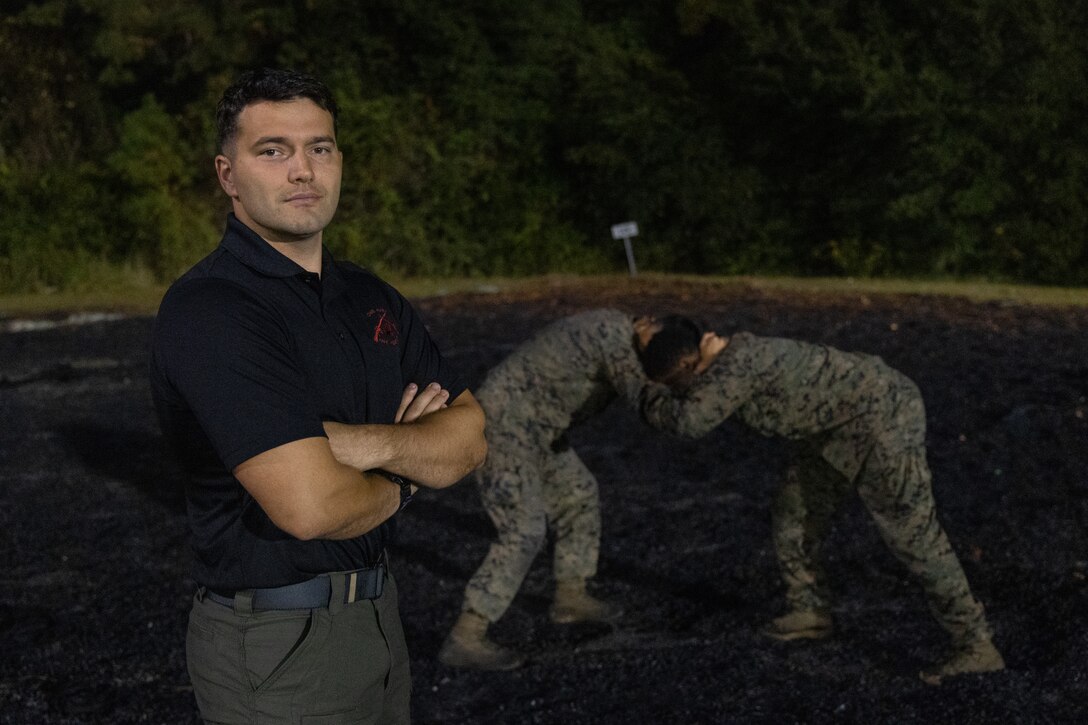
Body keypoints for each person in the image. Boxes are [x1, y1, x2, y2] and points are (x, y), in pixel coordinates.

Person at [150, 68, 486, 724]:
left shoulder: (369, 296)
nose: (302, 169)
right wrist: (409, 473)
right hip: (278, 641)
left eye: (320, 148)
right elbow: (311, 504)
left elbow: (470, 433)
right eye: (272, 150)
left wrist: (359, 442)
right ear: (228, 175)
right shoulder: (212, 309)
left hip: (379, 616)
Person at [636, 316, 1005, 685]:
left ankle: (976, 645)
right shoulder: (726, 361)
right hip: (833, 429)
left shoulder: (737, 364)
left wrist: (641, 388)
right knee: (794, 511)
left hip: (882, 417)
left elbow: (689, 422)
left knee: (914, 535)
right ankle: (808, 610)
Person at [437, 309, 668, 671]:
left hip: (538, 431)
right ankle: (466, 635)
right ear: (646, 324)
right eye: (659, 342)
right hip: (503, 425)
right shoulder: (613, 335)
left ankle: (571, 596)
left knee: (578, 492)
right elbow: (643, 397)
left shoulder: (625, 339)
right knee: (524, 528)